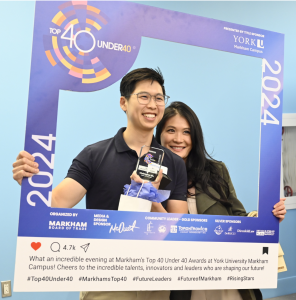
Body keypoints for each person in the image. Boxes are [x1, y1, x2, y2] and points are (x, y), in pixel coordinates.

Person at [12, 68, 188, 300]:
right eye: (144, 97)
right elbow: (55, 203)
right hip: (105, 280)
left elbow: (181, 231)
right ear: (123, 102)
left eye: (158, 98)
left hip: (155, 281)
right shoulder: (94, 155)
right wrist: (30, 180)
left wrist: (152, 201)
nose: (153, 105)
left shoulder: (174, 162)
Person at [155, 101, 287, 300]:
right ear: (160, 135)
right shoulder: (149, 178)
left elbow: (238, 217)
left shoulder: (216, 170)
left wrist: (266, 218)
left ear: (195, 137)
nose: (178, 139)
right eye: (171, 130)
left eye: (187, 132)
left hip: (226, 277)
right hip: (181, 281)